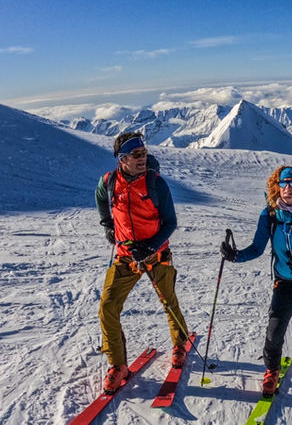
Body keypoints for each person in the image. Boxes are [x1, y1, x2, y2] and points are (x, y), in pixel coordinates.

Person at [219, 165, 292, 396]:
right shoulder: (269, 216)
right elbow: (257, 248)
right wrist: (236, 255)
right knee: (275, 326)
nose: (288, 188)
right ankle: (271, 370)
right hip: (285, 279)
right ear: (277, 187)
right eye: (283, 183)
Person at [95, 132, 189, 394]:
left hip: (155, 254)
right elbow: (101, 197)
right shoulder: (109, 181)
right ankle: (117, 364)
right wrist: (107, 225)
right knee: (107, 307)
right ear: (122, 159)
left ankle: (180, 344)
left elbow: (170, 223)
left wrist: (149, 246)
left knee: (169, 301)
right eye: (136, 155)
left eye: (144, 153)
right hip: (125, 257)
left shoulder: (156, 184)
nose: (142, 158)